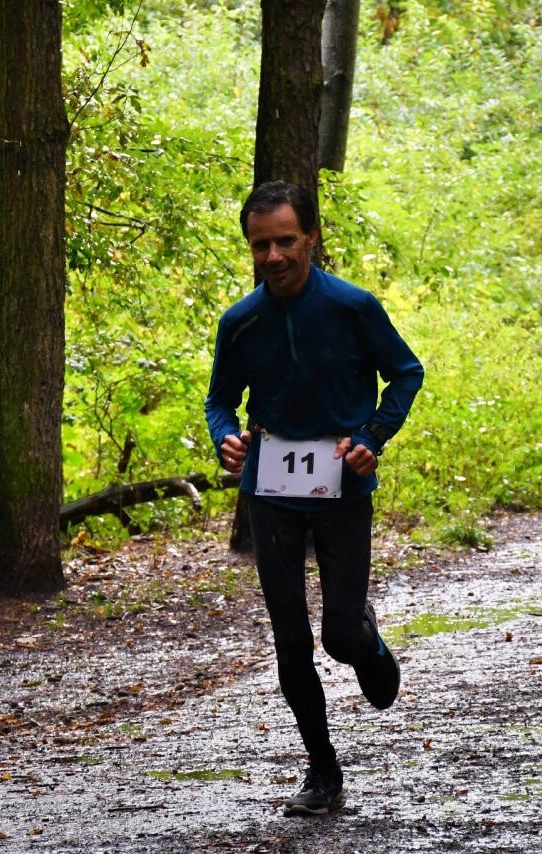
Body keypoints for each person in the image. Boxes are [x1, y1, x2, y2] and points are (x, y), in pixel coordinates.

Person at [204, 181, 424, 815]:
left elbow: (405, 372)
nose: (273, 257)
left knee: (339, 637)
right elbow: (220, 400)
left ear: (311, 239)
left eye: (285, 242)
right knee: (291, 641)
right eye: (260, 246)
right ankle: (323, 773)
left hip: (342, 489)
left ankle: (366, 640)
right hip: (271, 492)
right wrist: (226, 438)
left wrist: (372, 437)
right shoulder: (241, 322)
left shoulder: (353, 306)